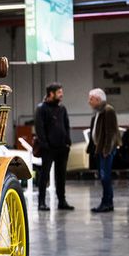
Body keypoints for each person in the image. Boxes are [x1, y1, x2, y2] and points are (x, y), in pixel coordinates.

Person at [35, 82, 74, 211]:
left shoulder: (62, 109)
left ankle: (62, 201)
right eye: (59, 92)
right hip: (48, 149)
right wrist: (45, 145)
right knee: (44, 176)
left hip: (62, 148)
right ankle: (41, 202)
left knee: (61, 176)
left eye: (61, 92)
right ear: (51, 94)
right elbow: (39, 129)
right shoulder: (41, 108)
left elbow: (66, 125)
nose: (61, 95)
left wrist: (68, 141)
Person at [86, 88, 120, 212]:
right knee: (103, 177)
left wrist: (106, 150)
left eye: (91, 99)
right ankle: (106, 202)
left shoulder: (108, 110)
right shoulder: (99, 111)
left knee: (105, 177)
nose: (89, 101)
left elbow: (111, 133)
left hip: (106, 150)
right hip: (100, 149)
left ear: (98, 99)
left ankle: (107, 203)